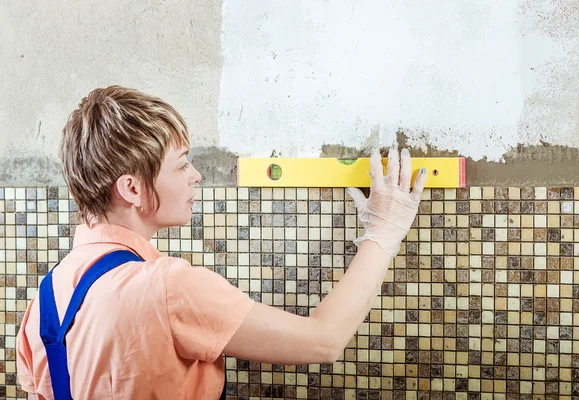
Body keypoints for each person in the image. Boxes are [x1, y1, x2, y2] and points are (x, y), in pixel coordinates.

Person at [16, 86, 427, 399]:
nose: (196, 175)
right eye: (181, 165)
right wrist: (382, 232)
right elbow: (323, 341)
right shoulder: (167, 289)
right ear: (133, 189)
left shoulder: (45, 301)